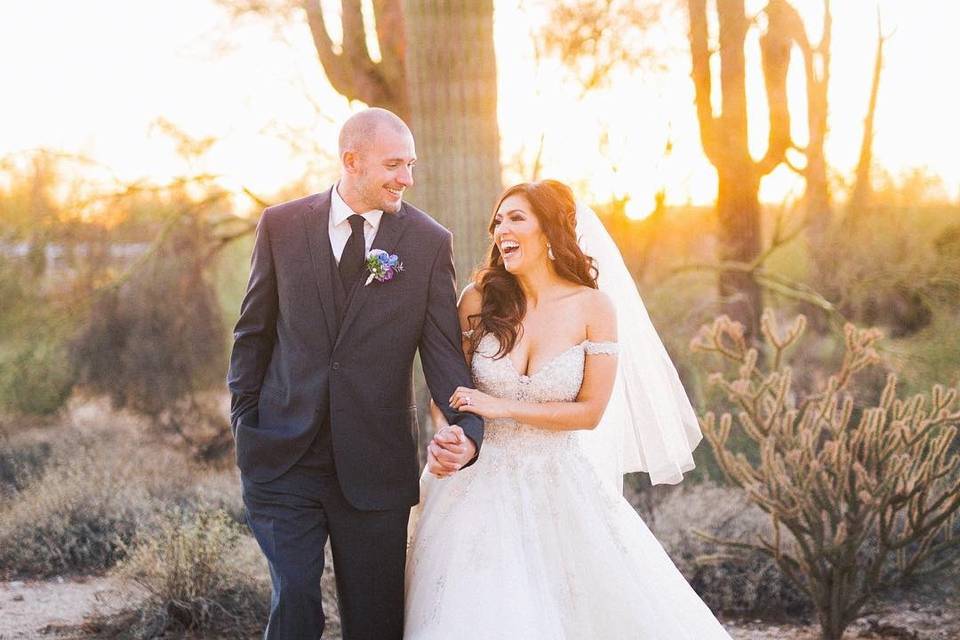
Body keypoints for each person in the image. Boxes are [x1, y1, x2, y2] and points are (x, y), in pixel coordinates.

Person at [405, 179, 732, 639]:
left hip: (556, 481)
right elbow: (451, 391)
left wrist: (500, 407)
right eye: (498, 221)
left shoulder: (593, 308)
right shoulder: (477, 301)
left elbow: (590, 412)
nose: (502, 230)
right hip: (472, 483)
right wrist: (452, 436)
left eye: (517, 218)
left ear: (552, 231)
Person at [227, 107, 483, 640]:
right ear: (352, 161)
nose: (406, 179)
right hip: (282, 457)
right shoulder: (281, 225)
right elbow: (253, 335)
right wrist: (245, 423)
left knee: (374, 623)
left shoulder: (428, 242)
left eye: (410, 165)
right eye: (394, 164)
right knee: (295, 603)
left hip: (375, 467)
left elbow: (442, 355)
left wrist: (469, 433)